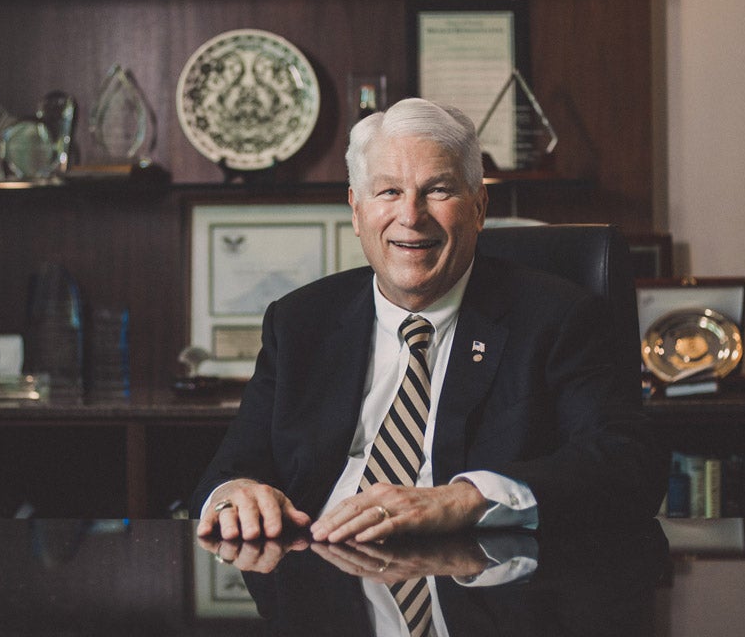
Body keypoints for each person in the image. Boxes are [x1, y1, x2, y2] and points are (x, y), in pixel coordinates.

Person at [192, 98, 665, 544]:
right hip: (316, 576)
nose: (411, 216)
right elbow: (229, 470)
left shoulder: (556, 318)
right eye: (389, 192)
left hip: (477, 585)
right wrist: (234, 493)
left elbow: (627, 464)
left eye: (437, 190)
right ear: (357, 211)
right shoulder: (300, 322)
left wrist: (466, 499)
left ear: (479, 208)